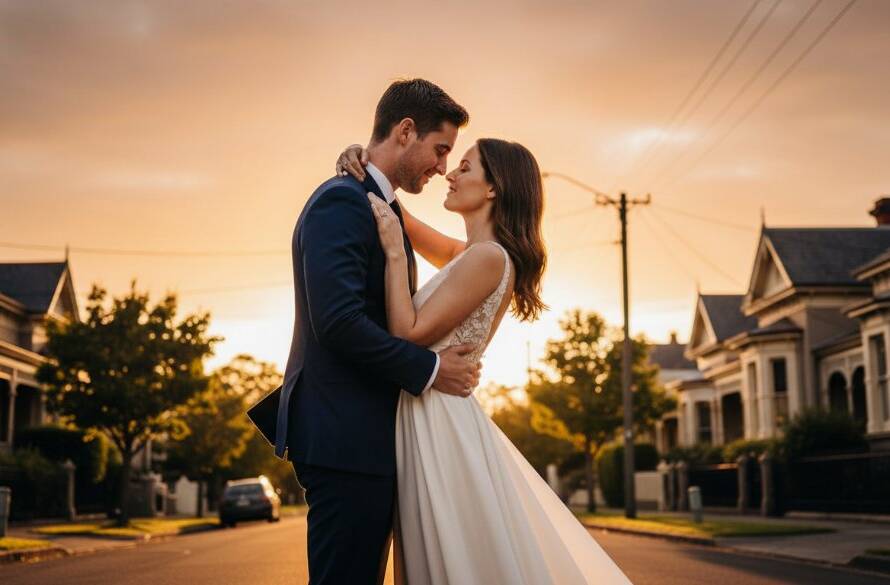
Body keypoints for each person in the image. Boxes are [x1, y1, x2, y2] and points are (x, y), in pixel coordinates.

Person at [336, 137, 634, 584]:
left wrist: (396, 255)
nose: (448, 175)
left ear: (493, 189)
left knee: (453, 556)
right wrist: (363, 163)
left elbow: (408, 334)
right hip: (428, 411)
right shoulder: (470, 255)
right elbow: (394, 212)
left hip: (439, 421)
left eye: (465, 168)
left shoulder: (490, 259)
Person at [248, 78, 482, 585]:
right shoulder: (343, 201)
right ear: (404, 131)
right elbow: (338, 323)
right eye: (440, 149)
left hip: (366, 438)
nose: (442, 166)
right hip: (344, 438)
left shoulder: (380, 203)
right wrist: (433, 370)